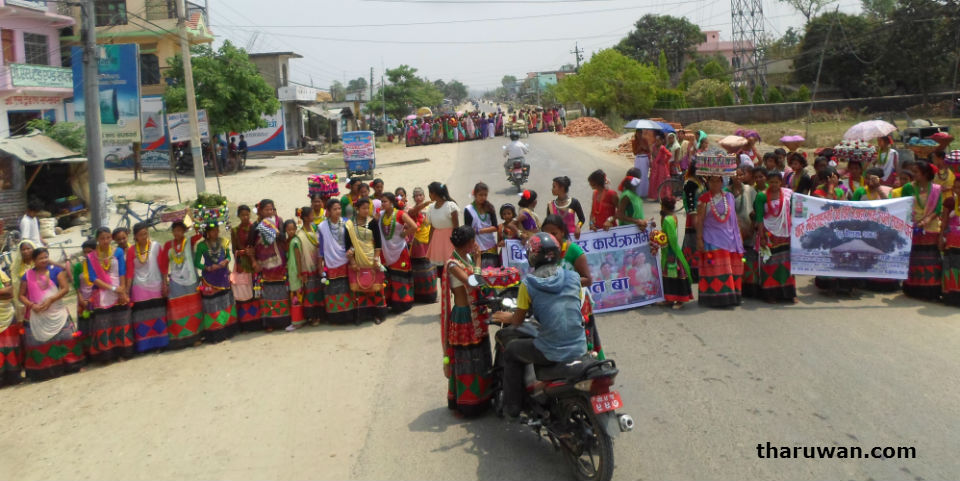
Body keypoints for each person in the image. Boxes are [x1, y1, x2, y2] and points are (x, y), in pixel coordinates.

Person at [492, 232, 587, 419]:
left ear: (532, 256)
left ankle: (512, 407)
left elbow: (518, 320)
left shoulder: (528, 284)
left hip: (550, 350)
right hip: (580, 345)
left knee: (511, 351)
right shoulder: (574, 277)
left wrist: (507, 317)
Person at [440, 226, 493, 417]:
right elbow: (472, 282)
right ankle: (466, 404)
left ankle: (483, 398)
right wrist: (479, 260)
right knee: (466, 360)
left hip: (475, 313)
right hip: (463, 315)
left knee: (480, 356)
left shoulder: (466, 258)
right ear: (470, 243)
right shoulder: (452, 264)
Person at [541, 215, 604, 358]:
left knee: (584, 345)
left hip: (577, 303)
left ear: (562, 232)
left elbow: (587, 280)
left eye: (554, 233)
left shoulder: (574, 251)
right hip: (554, 303)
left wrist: (564, 281)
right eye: (547, 234)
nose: (550, 237)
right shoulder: (543, 251)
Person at [18, 247, 84, 381]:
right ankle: (46, 371)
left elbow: (65, 289)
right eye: (40, 258)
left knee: (65, 338)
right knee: (40, 342)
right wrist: (32, 305)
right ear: (34, 260)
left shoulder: (56, 271)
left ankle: (72, 365)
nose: (44, 260)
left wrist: (51, 300)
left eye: (46, 257)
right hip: (38, 314)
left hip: (57, 312)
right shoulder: (27, 275)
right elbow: (21, 295)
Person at [86, 227, 134, 362]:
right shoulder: (91, 257)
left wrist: (122, 289)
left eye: (108, 238)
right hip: (102, 293)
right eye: (102, 238)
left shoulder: (117, 252)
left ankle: (124, 352)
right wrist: (113, 288)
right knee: (104, 324)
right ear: (97, 239)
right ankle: (108, 355)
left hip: (118, 290)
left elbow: (122, 271)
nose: (106, 241)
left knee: (121, 321)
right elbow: (93, 278)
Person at [696, 176, 745, 307]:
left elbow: (734, 219)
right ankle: (717, 299)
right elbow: (699, 220)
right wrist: (699, 239)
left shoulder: (729, 197)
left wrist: (738, 236)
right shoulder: (704, 199)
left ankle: (731, 297)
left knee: (730, 268)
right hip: (711, 238)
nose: (715, 183)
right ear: (708, 182)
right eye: (712, 181)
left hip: (729, 238)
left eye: (718, 180)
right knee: (716, 268)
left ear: (722, 182)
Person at [754, 171, 798, 303]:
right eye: (771, 182)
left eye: (777, 182)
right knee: (770, 264)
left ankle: (789, 293)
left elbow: (796, 210)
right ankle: (770, 294)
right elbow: (759, 218)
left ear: (781, 182)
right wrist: (762, 236)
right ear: (768, 182)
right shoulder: (761, 196)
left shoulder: (788, 194)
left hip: (785, 233)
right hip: (769, 233)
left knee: (787, 263)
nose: (774, 185)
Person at [124, 222, 169, 352]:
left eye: (146, 234)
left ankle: (160, 344)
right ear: (135, 237)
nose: (144, 237)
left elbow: (163, 266)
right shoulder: (132, 250)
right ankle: (145, 346)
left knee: (158, 315)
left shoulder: (155, 246)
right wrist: (127, 290)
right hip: (139, 289)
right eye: (141, 235)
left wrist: (164, 283)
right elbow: (130, 272)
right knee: (141, 318)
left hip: (155, 286)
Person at [901, 161, 943, 300]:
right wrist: (915, 222)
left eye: (916, 172)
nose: (913, 174)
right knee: (914, 259)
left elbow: (938, 208)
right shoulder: (908, 187)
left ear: (925, 174)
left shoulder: (936, 189)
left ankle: (931, 290)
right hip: (913, 227)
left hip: (931, 228)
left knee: (930, 260)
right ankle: (913, 289)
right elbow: (904, 205)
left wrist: (927, 220)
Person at [160, 221, 203, 349]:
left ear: (184, 231)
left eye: (180, 230)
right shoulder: (168, 245)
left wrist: (193, 221)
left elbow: (201, 233)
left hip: (191, 280)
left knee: (194, 308)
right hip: (175, 281)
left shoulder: (190, 241)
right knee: (177, 309)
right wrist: (164, 282)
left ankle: (196, 337)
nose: (177, 233)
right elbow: (164, 264)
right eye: (175, 230)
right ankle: (180, 339)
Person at [345, 198, 388, 324]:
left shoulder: (373, 222)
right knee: (360, 289)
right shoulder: (350, 225)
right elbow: (348, 245)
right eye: (363, 208)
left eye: (367, 208)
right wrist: (352, 261)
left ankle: (378, 315)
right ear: (357, 209)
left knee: (376, 288)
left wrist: (376, 259)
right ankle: (361, 316)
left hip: (371, 258)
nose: (366, 211)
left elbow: (378, 243)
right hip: (358, 260)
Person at [195, 222, 238, 342]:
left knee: (225, 303)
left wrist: (226, 261)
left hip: (223, 277)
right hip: (209, 279)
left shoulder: (224, 241)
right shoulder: (202, 246)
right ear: (207, 233)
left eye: (217, 230)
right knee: (213, 305)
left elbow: (229, 256)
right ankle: (216, 333)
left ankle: (228, 330)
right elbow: (196, 262)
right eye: (213, 231)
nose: (216, 232)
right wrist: (207, 268)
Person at [251, 199, 290, 331]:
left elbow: (283, 238)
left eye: (271, 209)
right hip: (264, 265)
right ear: (261, 211)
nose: (269, 212)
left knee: (282, 291)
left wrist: (276, 232)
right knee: (267, 293)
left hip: (279, 263)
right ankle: (269, 323)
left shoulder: (279, 222)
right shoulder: (255, 226)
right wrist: (254, 261)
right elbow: (250, 246)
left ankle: (284, 320)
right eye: (266, 209)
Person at [317, 199, 356, 324]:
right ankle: (335, 318)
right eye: (335, 209)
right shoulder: (322, 227)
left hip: (346, 260)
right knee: (333, 290)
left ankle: (350, 316)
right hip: (331, 262)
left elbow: (353, 242)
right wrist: (320, 265)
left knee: (348, 288)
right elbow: (320, 248)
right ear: (328, 211)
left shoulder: (347, 223)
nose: (338, 211)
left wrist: (352, 253)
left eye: (339, 208)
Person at [379, 193, 418, 314]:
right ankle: (390, 302)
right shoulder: (381, 215)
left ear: (391, 202)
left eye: (385, 201)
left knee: (401, 275)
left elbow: (414, 226)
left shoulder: (400, 214)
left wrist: (404, 234)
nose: (382, 204)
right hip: (386, 250)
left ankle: (403, 302)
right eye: (381, 202)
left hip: (399, 249)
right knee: (388, 276)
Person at [656, 197, 693, 308]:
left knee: (673, 277)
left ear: (664, 206)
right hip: (672, 251)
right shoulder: (673, 216)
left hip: (671, 253)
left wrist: (662, 243)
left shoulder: (668, 220)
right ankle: (670, 299)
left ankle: (678, 300)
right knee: (670, 277)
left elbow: (671, 238)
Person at [231, 205, 261, 331]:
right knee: (243, 292)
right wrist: (243, 252)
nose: (245, 217)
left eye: (247, 214)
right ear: (238, 216)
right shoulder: (235, 230)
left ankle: (258, 321)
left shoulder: (255, 227)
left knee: (255, 291)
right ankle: (245, 323)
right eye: (242, 215)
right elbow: (234, 250)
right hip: (243, 264)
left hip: (254, 263)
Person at [730, 167, 758, 298]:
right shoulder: (727, 192)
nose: (738, 177)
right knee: (736, 260)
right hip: (733, 232)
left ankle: (749, 289)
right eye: (735, 175)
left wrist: (752, 226)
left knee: (749, 259)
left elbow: (755, 209)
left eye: (741, 175)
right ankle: (736, 287)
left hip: (749, 228)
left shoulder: (750, 190)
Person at [407, 188, 437, 304]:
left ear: (424, 196)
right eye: (416, 196)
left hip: (428, 240)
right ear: (414, 198)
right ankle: (418, 296)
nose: (418, 197)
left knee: (430, 268)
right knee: (418, 269)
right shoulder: (411, 209)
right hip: (417, 242)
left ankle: (431, 295)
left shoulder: (431, 208)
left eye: (420, 195)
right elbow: (413, 213)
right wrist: (424, 204)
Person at [425, 182, 460, 273]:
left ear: (435, 193)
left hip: (450, 241)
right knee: (440, 271)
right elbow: (432, 228)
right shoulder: (431, 208)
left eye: (430, 193)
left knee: (452, 269)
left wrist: (457, 244)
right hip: (437, 243)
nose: (429, 195)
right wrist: (429, 245)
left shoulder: (450, 206)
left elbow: (456, 227)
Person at [463, 183, 500, 268]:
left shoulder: (490, 207)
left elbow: (495, 227)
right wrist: (473, 245)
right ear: (475, 195)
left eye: (485, 195)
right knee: (478, 271)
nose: (483, 197)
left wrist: (479, 231)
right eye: (480, 195)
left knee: (491, 272)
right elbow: (468, 230)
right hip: (475, 246)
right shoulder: (468, 209)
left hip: (490, 245)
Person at [72, 239, 97, 355]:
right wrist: (80, 299)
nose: (87, 254)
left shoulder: (99, 264)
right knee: (85, 326)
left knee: (97, 324)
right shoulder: (78, 266)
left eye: (90, 251)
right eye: (85, 252)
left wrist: (93, 298)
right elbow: (76, 285)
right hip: (83, 300)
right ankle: (87, 353)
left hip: (96, 299)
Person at [682, 165, 706, 282]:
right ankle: (692, 272)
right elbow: (690, 203)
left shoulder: (702, 180)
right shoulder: (690, 183)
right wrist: (694, 218)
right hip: (694, 217)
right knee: (692, 242)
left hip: (703, 215)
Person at [0, 265, 22, 387]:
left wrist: (5, 292)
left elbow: (10, 292)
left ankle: (13, 375)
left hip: (6, 313)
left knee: (11, 344)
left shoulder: (1, 273)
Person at [940, 179, 960, 307]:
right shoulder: (950, 202)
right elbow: (944, 221)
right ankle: (949, 296)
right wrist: (941, 237)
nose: (958, 190)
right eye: (956, 187)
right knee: (950, 268)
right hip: (951, 242)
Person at [648, 132, 673, 201]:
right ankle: (656, 196)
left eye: (658, 141)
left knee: (660, 181)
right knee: (654, 181)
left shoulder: (662, 148)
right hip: (655, 167)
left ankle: (662, 196)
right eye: (656, 141)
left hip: (662, 168)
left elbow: (669, 155)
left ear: (662, 141)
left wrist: (665, 161)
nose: (656, 142)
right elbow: (652, 155)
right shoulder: (654, 147)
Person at [631, 129, 652, 198]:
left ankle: (644, 193)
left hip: (645, 158)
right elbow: (634, 153)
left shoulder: (645, 140)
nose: (639, 135)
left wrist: (644, 147)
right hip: (638, 158)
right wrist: (639, 148)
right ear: (636, 134)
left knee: (644, 175)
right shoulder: (634, 141)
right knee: (637, 175)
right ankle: (637, 192)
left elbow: (648, 150)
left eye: (640, 133)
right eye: (638, 133)